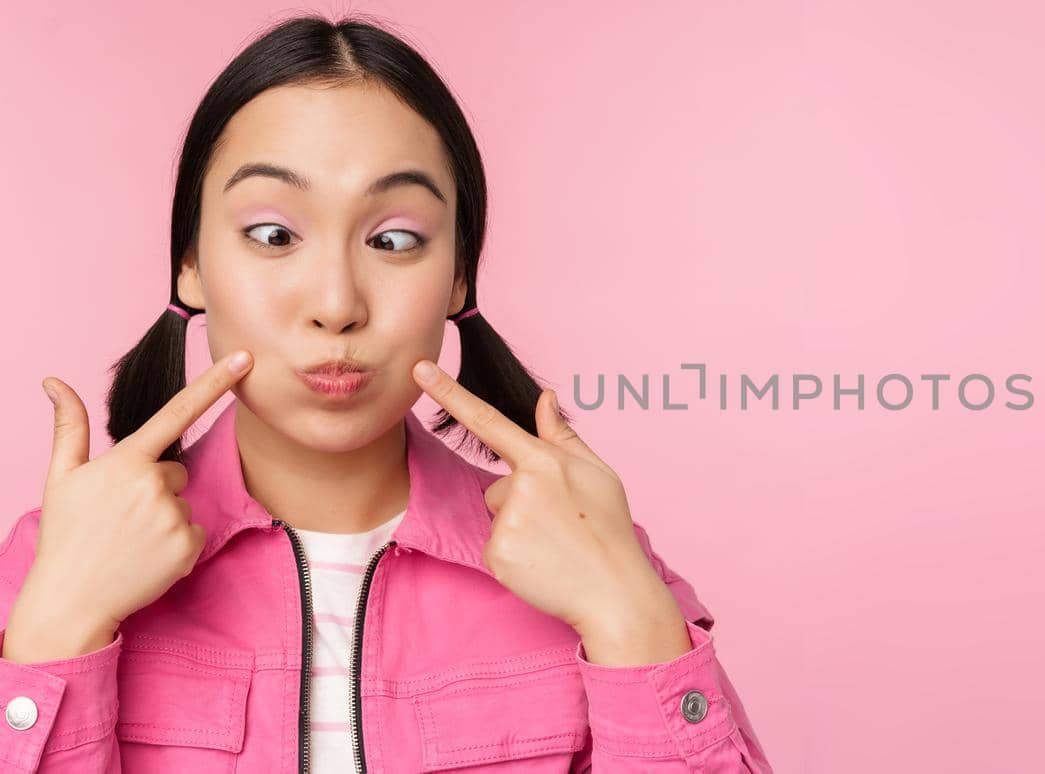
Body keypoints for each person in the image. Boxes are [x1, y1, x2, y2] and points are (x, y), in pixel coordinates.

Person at [0, 12, 772, 773]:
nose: (337, 303)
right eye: (274, 235)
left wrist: (629, 621)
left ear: (459, 272)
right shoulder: (53, 563)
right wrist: (56, 631)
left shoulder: (593, 555)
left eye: (393, 240)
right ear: (190, 265)